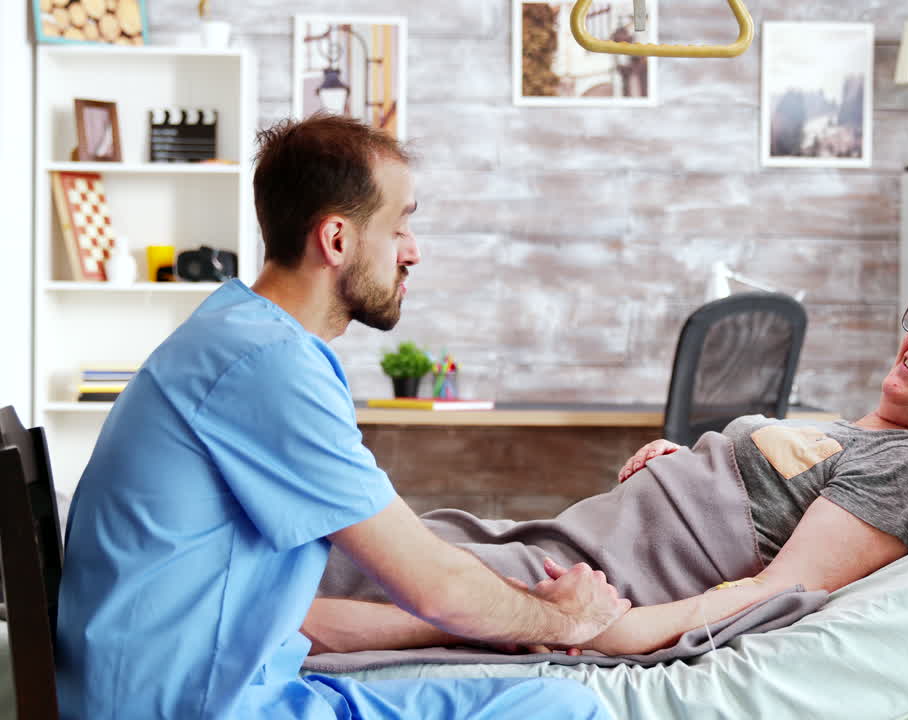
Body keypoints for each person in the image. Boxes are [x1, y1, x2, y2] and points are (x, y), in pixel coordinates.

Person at [54, 115, 630, 720]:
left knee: (550, 700)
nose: (414, 251)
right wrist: (569, 617)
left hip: (224, 689)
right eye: (400, 226)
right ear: (336, 239)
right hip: (199, 709)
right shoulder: (268, 364)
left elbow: (301, 619)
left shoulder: (240, 333)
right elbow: (433, 582)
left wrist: (498, 621)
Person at [304, 279, 908, 657]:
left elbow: (779, 587)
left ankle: (226, 631)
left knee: (386, 574)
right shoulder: (861, 428)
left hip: (603, 570)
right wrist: (686, 463)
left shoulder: (907, 465)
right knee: (399, 541)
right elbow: (771, 493)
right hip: (581, 530)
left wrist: (618, 630)